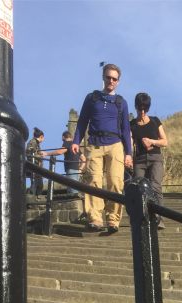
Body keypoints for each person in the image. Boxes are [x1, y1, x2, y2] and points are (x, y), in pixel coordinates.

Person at [71, 63, 133, 233]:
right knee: (93, 182)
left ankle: (113, 220)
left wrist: (129, 153)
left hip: (115, 145)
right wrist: (76, 141)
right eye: (108, 77)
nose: (111, 81)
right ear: (103, 77)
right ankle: (95, 218)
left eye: (114, 79)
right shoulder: (92, 98)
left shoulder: (121, 102)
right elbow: (82, 120)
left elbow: (126, 129)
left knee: (116, 182)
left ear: (118, 82)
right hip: (95, 144)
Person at [130, 92, 168, 230]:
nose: (142, 111)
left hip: (155, 158)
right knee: (138, 189)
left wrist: (151, 141)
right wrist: (127, 156)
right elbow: (129, 143)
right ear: (136, 107)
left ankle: (158, 218)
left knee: (156, 186)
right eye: (140, 108)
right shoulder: (132, 125)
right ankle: (142, 218)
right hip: (139, 160)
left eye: (145, 108)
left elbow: (165, 141)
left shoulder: (155, 121)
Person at [25, 127, 45, 196]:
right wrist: (40, 156)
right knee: (37, 184)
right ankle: (31, 196)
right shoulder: (32, 142)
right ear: (41, 137)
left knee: (39, 185)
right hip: (34, 166)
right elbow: (29, 153)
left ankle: (34, 196)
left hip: (37, 167)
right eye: (43, 138)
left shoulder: (36, 144)